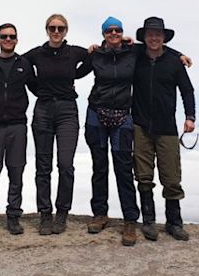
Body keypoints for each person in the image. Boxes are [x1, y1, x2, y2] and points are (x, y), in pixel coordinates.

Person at [79, 16, 189, 246]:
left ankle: (131, 220)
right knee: (99, 167)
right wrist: (87, 51)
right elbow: (77, 71)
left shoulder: (133, 52)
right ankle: (100, 214)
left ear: (122, 32)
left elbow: (158, 47)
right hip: (96, 115)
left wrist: (179, 55)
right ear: (103, 34)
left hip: (123, 117)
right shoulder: (97, 54)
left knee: (124, 168)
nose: (114, 33)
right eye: (109, 30)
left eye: (117, 30)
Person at [24, 14, 90, 235]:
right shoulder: (37, 53)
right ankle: (45, 214)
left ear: (66, 31)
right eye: (52, 28)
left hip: (67, 111)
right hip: (43, 109)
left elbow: (93, 58)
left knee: (65, 164)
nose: (56, 31)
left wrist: (77, 73)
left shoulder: (74, 52)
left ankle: (62, 213)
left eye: (60, 28)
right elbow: (17, 64)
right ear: (46, 29)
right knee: (43, 166)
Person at [132, 16, 196, 242]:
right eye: (150, 33)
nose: (154, 37)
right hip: (140, 125)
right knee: (144, 176)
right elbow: (117, 45)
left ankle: (174, 222)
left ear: (163, 37)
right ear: (144, 36)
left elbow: (187, 90)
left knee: (171, 177)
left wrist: (190, 117)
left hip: (167, 127)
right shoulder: (136, 56)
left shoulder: (174, 62)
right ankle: (148, 221)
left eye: (158, 34)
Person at [0, 23, 36, 240]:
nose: (8, 39)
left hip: (17, 125)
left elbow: (36, 87)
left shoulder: (24, 64)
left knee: (16, 171)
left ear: (17, 40)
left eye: (12, 36)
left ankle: (13, 215)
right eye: (4, 36)